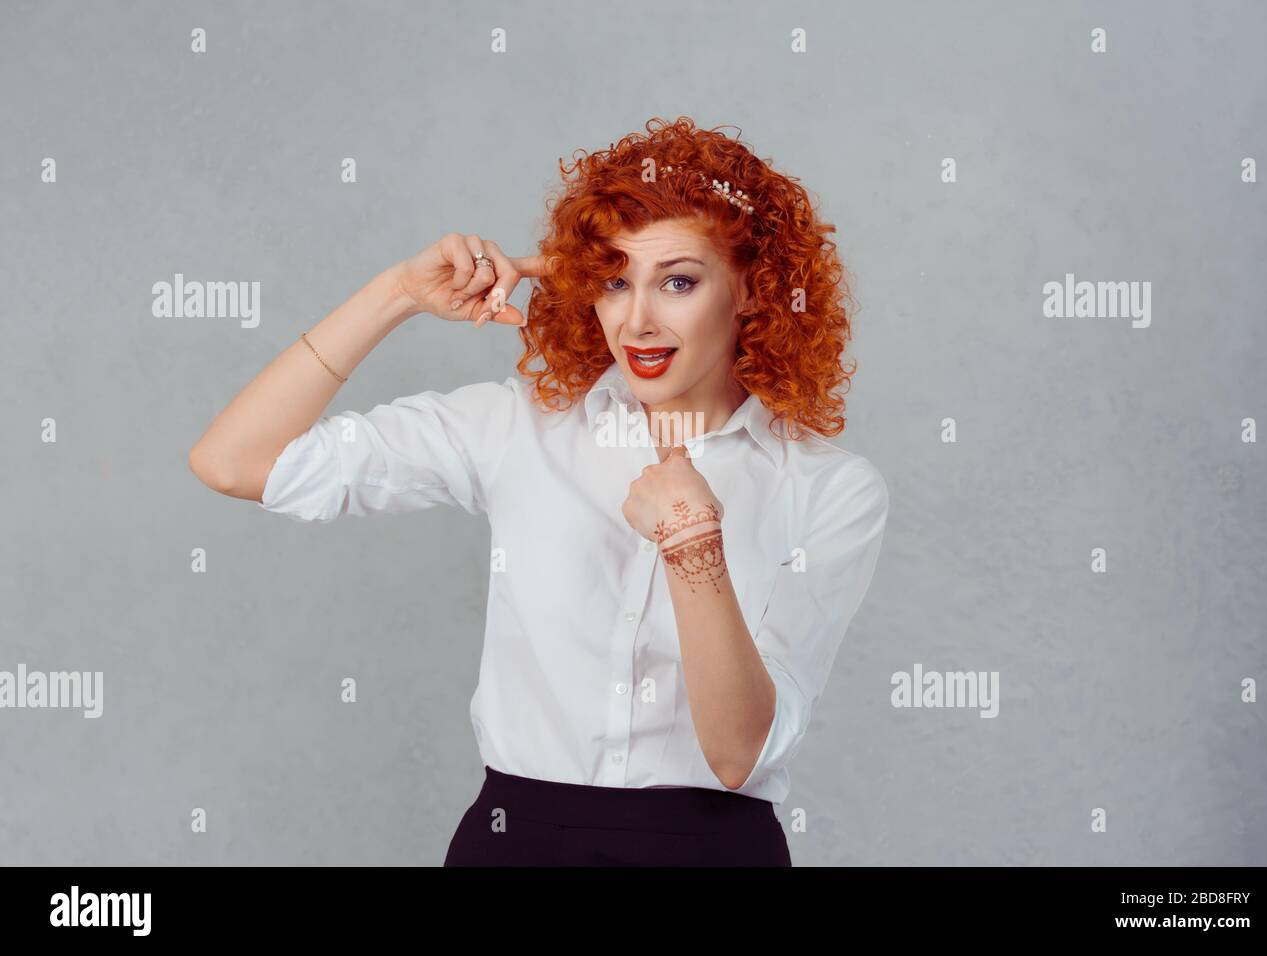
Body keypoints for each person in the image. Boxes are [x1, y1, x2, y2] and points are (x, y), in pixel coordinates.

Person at [188, 116, 889, 866]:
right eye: (615, 281)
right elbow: (234, 462)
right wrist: (397, 293)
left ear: (750, 291)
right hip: (514, 842)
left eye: (678, 281)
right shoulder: (517, 427)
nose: (639, 319)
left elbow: (738, 756)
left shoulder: (831, 490)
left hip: (712, 848)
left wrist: (692, 539)